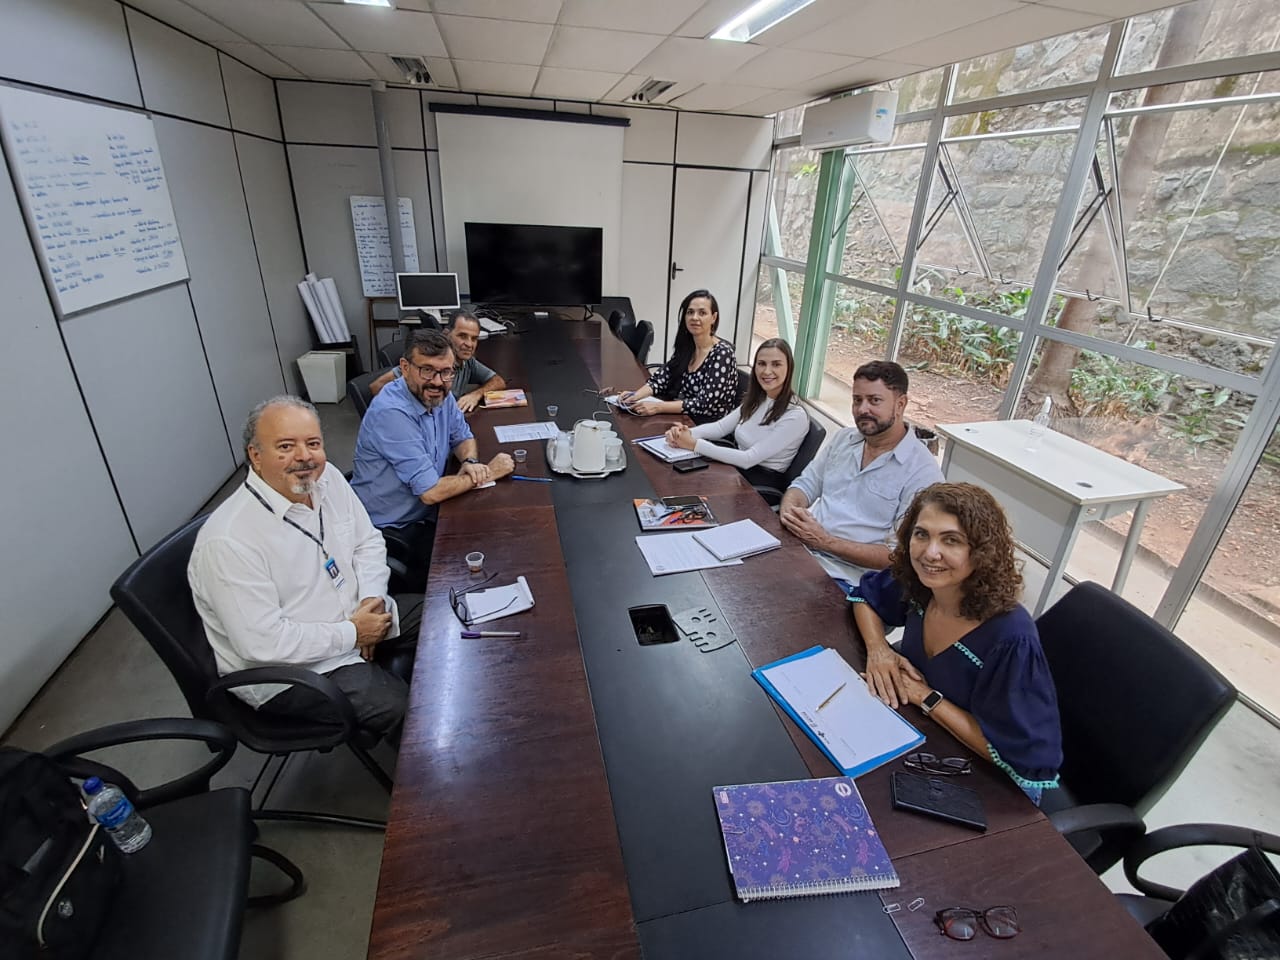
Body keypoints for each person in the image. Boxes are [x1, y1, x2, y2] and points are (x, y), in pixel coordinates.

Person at [188, 396, 408, 741]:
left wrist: (371, 600)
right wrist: (352, 634)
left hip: (359, 616)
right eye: (286, 446)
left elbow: (368, 542)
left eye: (313, 443)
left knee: (448, 621)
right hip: (298, 672)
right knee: (413, 713)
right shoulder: (228, 541)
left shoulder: (327, 478)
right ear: (255, 456)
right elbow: (263, 644)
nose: (304, 456)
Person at [849, 482, 1062, 803]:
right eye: (921, 534)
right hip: (933, 741)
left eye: (951, 540)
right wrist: (879, 650)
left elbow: (1018, 758)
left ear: (981, 552)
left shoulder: (1011, 639)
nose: (930, 552)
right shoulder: (924, 583)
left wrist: (925, 697)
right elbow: (865, 598)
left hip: (999, 787)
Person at [352, 328, 513, 589]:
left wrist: (470, 464)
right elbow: (430, 492)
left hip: (427, 511)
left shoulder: (440, 394)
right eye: (427, 370)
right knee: (481, 567)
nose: (437, 381)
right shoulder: (392, 412)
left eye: (446, 372)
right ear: (405, 368)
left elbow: (463, 437)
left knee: (496, 534)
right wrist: (489, 473)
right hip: (394, 529)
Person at [780, 360, 943, 585]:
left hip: (850, 579)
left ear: (900, 404)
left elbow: (898, 556)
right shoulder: (843, 439)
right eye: (857, 400)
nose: (862, 409)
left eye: (874, 400)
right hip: (800, 551)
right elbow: (804, 486)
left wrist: (825, 542)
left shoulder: (922, 473)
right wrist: (790, 514)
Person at [663, 338, 808, 486]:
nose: (767, 371)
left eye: (776, 364)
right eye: (761, 363)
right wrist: (684, 434)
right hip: (735, 468)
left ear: (789, 368)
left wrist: (694, 444)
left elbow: (748, 459)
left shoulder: (795, 416)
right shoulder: (759, 398)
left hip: (758, 483)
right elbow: (720, 427)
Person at [617, 289, 738, 424]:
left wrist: (658, 407)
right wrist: (635, 396)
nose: (694, 317)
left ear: (713, 318)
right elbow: (662, 378)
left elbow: (704, 403)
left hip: (708, 426)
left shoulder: (722, 354)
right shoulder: (688, 346)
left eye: (702, 313)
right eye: (690, 312)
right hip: (683, 418)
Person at [369, 311, 506, 413]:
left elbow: (498, 381)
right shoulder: (429, 363)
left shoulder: (468, 362)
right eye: (462, 336)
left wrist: (475, 395)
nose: (469, 344)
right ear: (446, 334)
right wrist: (407, 415)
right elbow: (376, 386)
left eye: (474, 338)